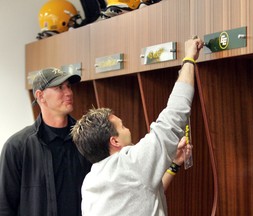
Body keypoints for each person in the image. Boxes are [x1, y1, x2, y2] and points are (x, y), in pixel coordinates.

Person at [71, 36, 204, 216]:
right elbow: (175, 113)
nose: (128, 129)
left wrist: (174, 165)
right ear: (115, 141)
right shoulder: (129, 164)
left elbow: (143, 195)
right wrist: (189, 59)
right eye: (122, 126)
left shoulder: (92, 181)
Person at [0, 68, 92, 216]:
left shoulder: (87, 139)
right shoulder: (17, 146)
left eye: (69, 86)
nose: (68, 92)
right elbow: (4, 206)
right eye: (59, 88)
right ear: (40, 96)